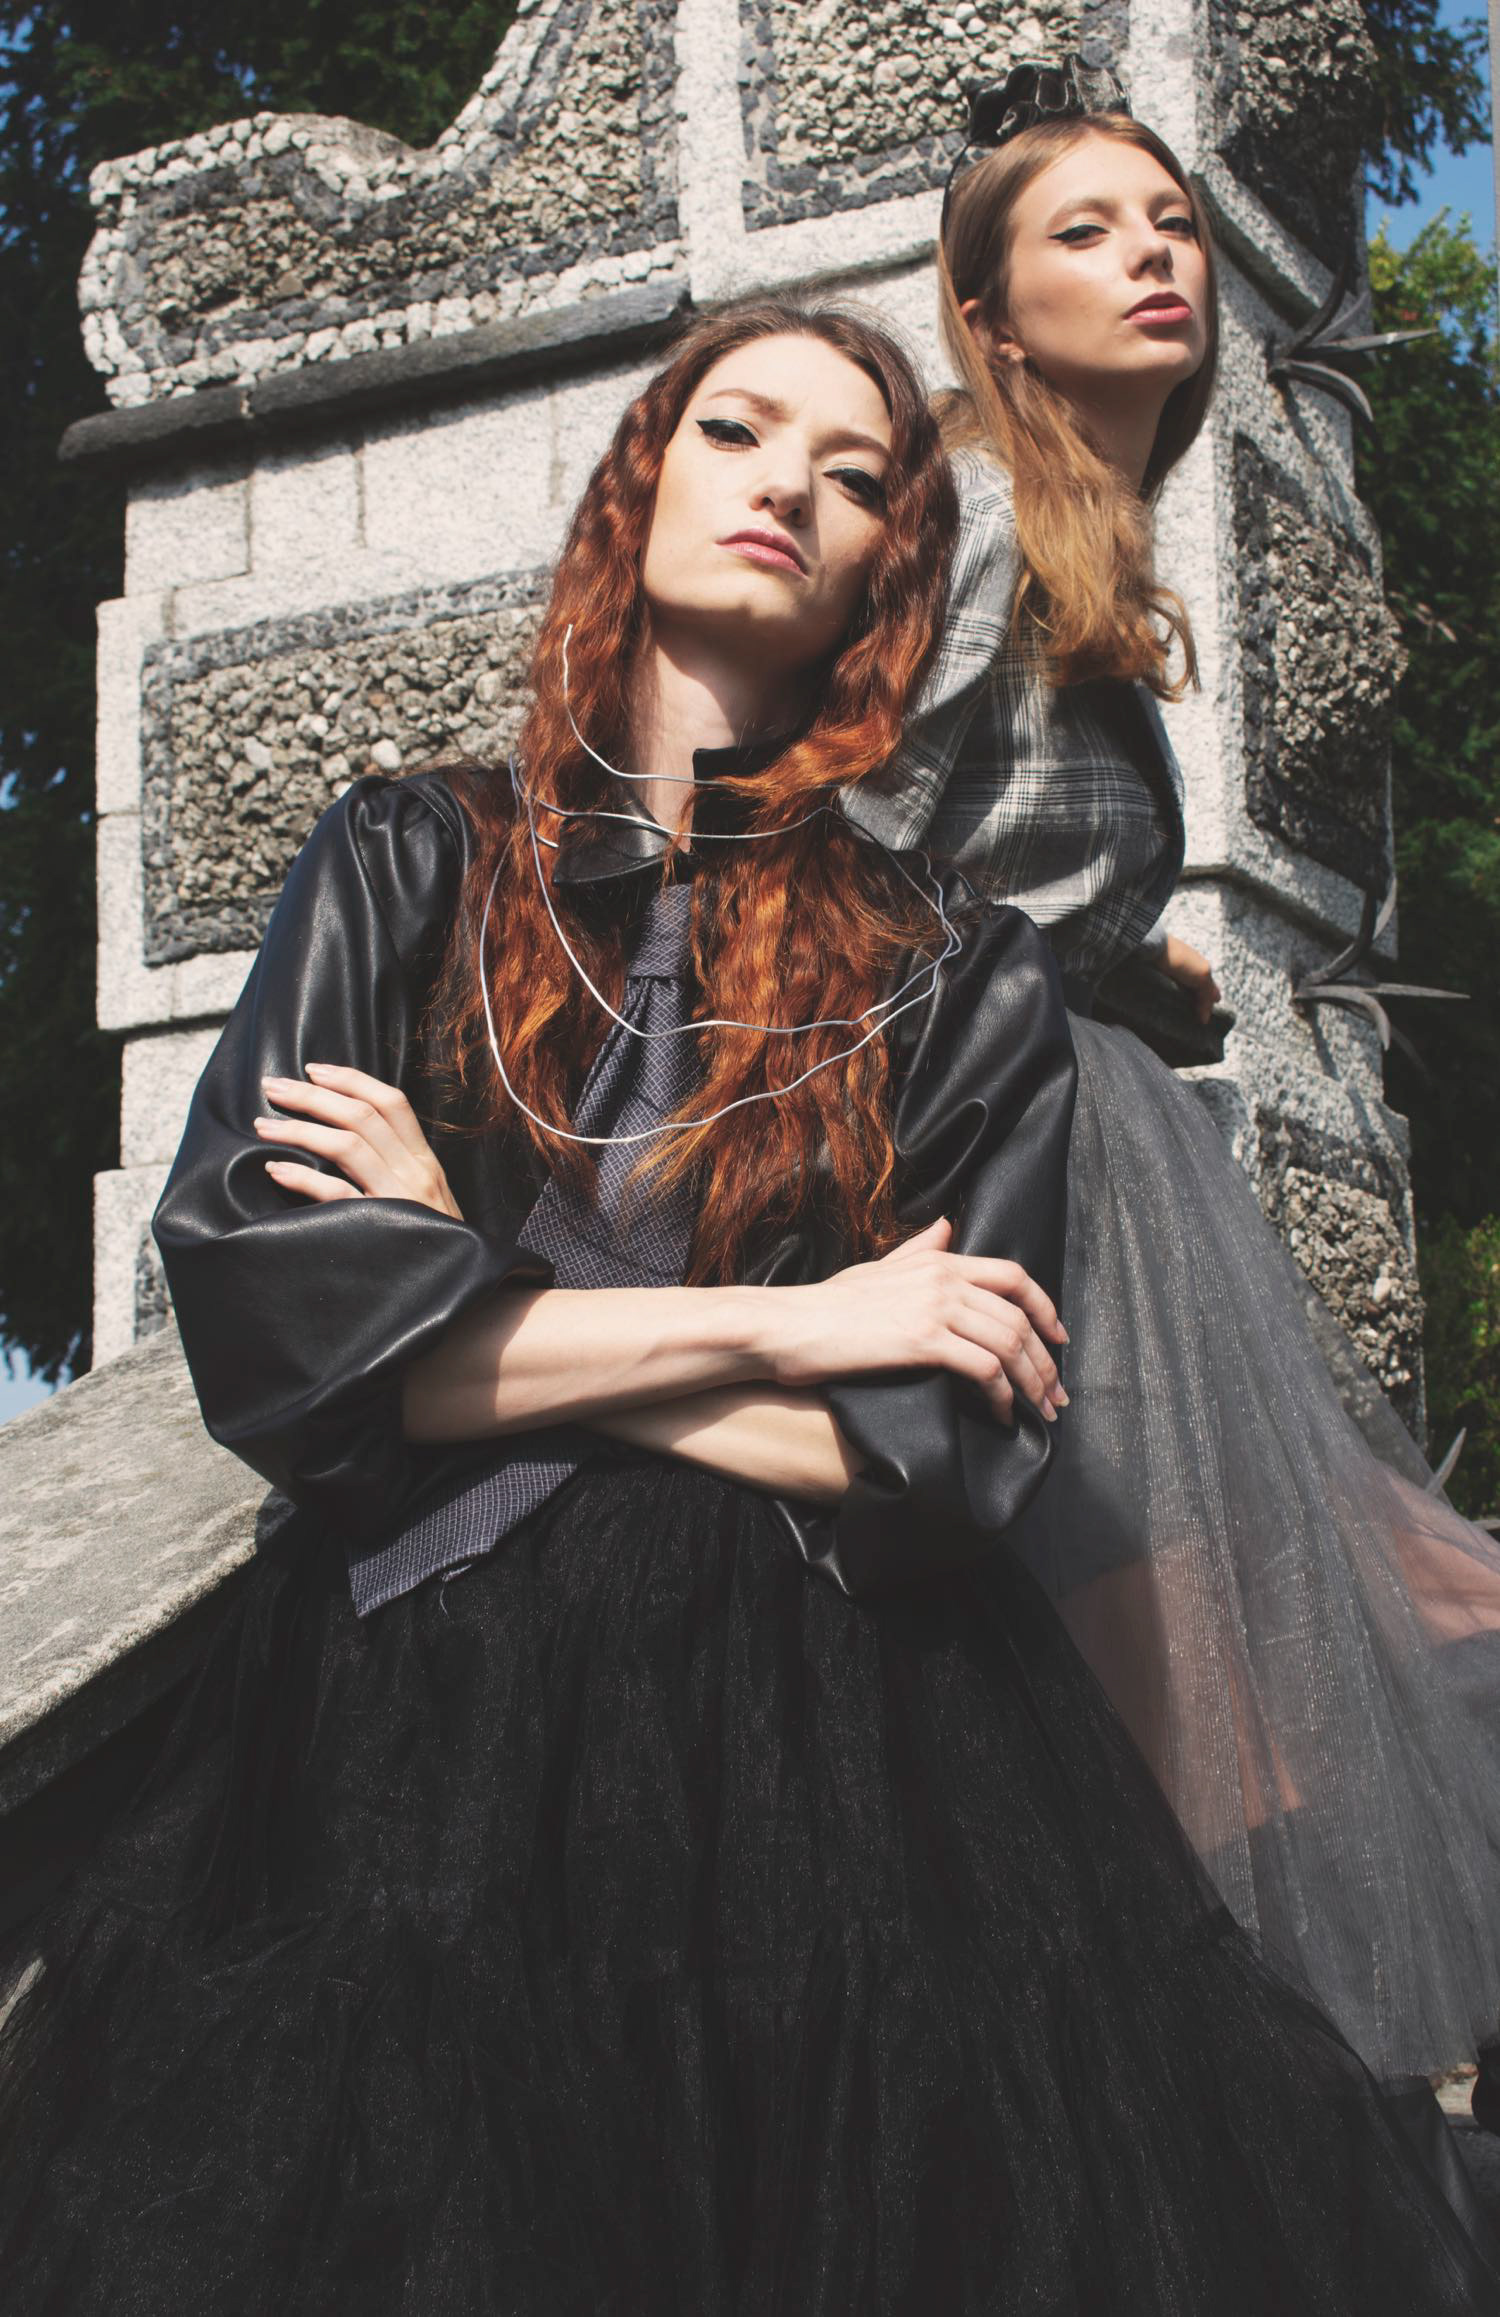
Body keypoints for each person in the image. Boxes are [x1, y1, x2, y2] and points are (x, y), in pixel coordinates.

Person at [1, 295, 1495, 2315]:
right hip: (411, 1734)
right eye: (736, 430)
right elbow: (281, 1328)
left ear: (893, 570)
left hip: (860, 1759)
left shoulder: (960, 974)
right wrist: (801, 1327)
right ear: (643, 482)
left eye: (855, 473)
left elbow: (938, 1452)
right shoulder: (408, 858)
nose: (788, 482)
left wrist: (467, 1298)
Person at [842, 56, 1500, 2095]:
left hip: (1090, 1156)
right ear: (987, 312)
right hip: (1000, 1174)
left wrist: (1122, 961)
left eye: (1175, 223)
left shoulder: (1073, 536)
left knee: (1285, 1668)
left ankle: (1224, 2103)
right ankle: (1208, 2119)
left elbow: (964, 860)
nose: (1156, 257)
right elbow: (835, 866)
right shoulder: (971, 518)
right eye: (1086, 231)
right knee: (1235, 1693)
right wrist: (1062, 987)